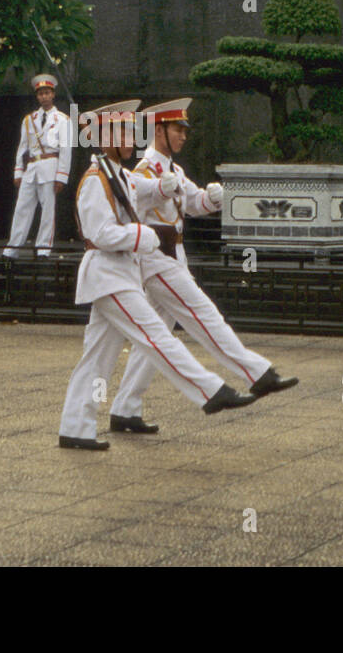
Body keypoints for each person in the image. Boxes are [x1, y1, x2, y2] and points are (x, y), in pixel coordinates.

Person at [58, 100, 255, 451]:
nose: (132, 138)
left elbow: (145, 190)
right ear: (106, 138)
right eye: (124, 132)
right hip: (108, 275)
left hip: (121, 275)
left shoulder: (119, 175)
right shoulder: (94, 180)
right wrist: (144, 236)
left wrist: (165, 187)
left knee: (97, 357)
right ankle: (210, 392)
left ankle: (76, 427)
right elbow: (100, 234)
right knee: (156, 338)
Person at [108, 98, 299, 435]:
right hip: (157, 260)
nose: (183, 136)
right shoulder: (142, 170)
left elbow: (192, 203)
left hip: (172, 258)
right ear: (159, 130)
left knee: (156, 336)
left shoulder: (175, 170)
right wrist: (156, 190)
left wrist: (211, 198)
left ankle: (125, 408)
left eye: (185, 130)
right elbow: (131, 201)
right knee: (204, 314)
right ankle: (258, 374)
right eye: (177, 129)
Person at [3, 73, 72, 259]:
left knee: (47, 211)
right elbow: (22, 147)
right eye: (40, 93)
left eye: (47, 92)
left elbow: (65, 150)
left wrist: (61, 176)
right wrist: (18, 171)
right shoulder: (29, 119)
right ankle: (12, 248)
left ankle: (43, 249)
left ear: (53, 94)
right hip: (31, 168)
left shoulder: (62, 120)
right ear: (37, 96)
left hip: (50, 167)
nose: (44, 96)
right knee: (21, 209)